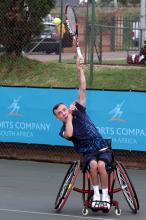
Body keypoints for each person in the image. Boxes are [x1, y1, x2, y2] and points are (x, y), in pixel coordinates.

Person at [52, 56, 113, 210]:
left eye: (64, 109)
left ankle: (105, 195)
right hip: (88, 153)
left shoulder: (79, 109)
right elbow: (71, 133)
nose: (63, 113)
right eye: (60, 113)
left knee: (101, 165)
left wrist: (80, 69)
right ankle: (96, 195)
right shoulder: (63, 130)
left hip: (102, 148)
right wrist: (70, 117)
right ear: (58, 117)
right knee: (93, 165)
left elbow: (83, 88)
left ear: (67, 107)